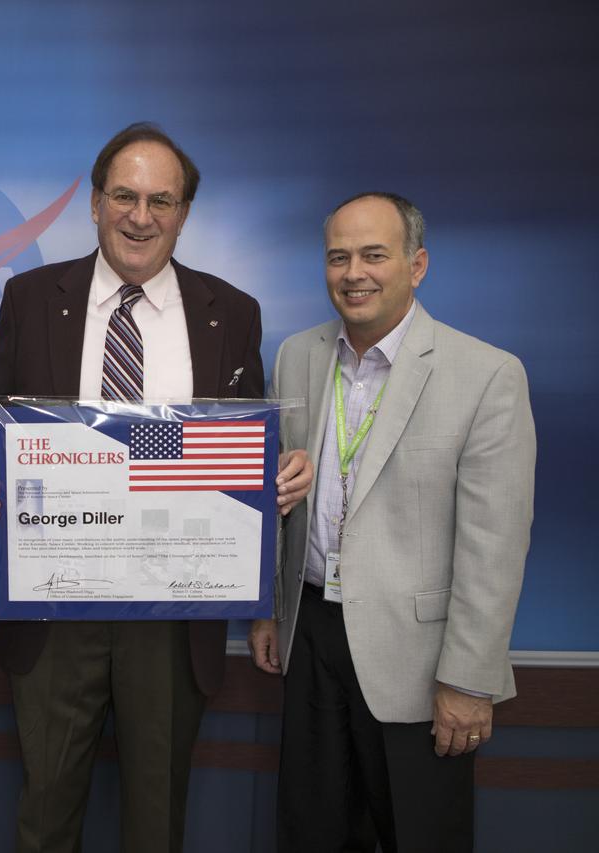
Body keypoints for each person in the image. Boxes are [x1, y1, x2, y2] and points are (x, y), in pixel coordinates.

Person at [0, 122, 312, 853]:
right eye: (124, 196)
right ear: (95, 203)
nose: (140, 216)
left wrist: (271, 473)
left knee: (157, 821)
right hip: (54, 606)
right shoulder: (31, 297)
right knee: (45, 815)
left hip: (173, 612)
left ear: (184, 213)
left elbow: (245, 441)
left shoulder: (231, 312)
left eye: (161, 200)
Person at [248, 192, 536, 852]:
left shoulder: (486, 374)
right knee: (311, 832)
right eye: (338, 257)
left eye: (374, 255)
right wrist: (269, 610)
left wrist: (468, 680)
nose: (354, 273)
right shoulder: (297, 355)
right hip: (311, 636)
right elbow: (277, 500)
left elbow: (495, 547)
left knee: (421, 835)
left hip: (420, 662)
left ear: (417, 265)